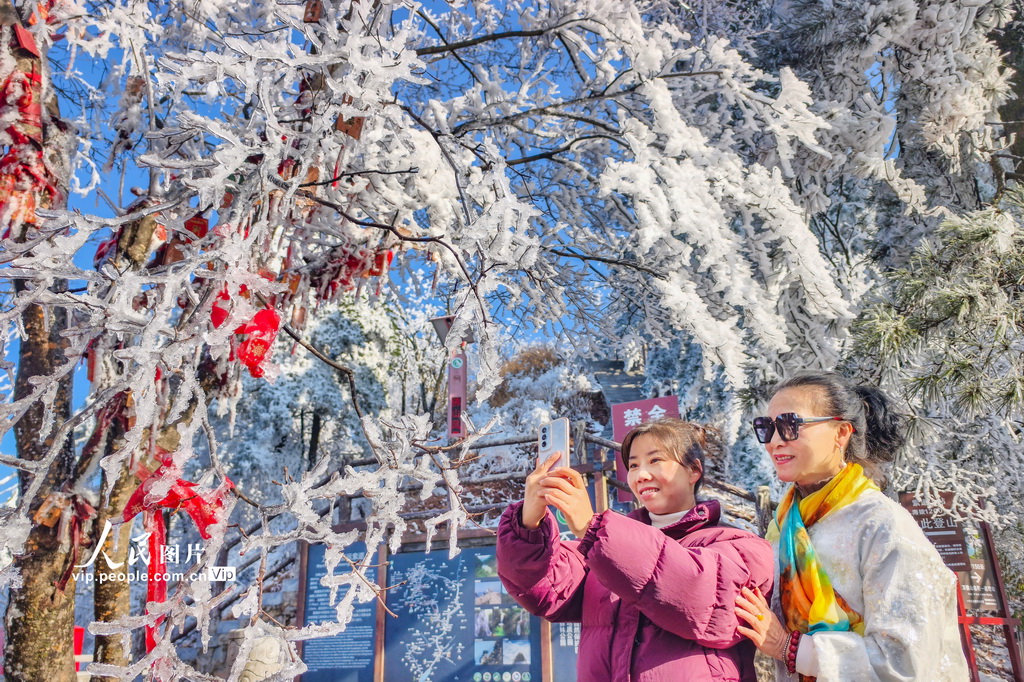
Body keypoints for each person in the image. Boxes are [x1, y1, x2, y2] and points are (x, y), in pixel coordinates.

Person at [497, 418, 774, 681]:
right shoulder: (604, 547)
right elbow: (545, 588)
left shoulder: (741, 545)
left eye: (655, 460)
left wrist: (593, 528)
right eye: (633, 465)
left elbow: (703, 597)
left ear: (694, 470)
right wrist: (528, 523)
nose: (641, 475)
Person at [734, 371, 970, 681]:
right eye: (766, 428)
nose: (775, 442)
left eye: (790, 425)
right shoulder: (784, 524)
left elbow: (905, 660)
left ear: (841, 433)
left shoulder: (882, 525)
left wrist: (790, 648)